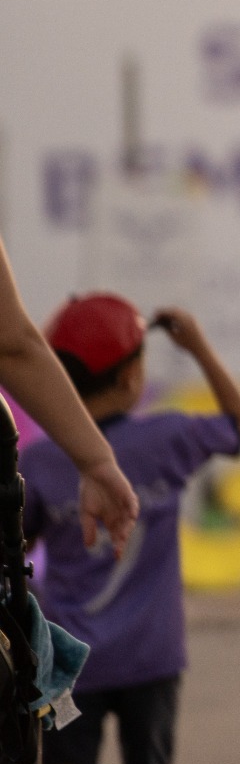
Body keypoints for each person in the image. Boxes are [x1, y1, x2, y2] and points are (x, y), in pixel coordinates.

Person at [29, 297, 240, 764]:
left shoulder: (42, 461)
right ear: (133, 376)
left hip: (69, 659)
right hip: (152, 657)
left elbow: (17, 551)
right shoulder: (170, 436)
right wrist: (199, 347)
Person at [0, 236, 139, 552]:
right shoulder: (170, 435)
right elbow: (11, 346)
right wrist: (96, 461)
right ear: (130, 375)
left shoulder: (36, 458)